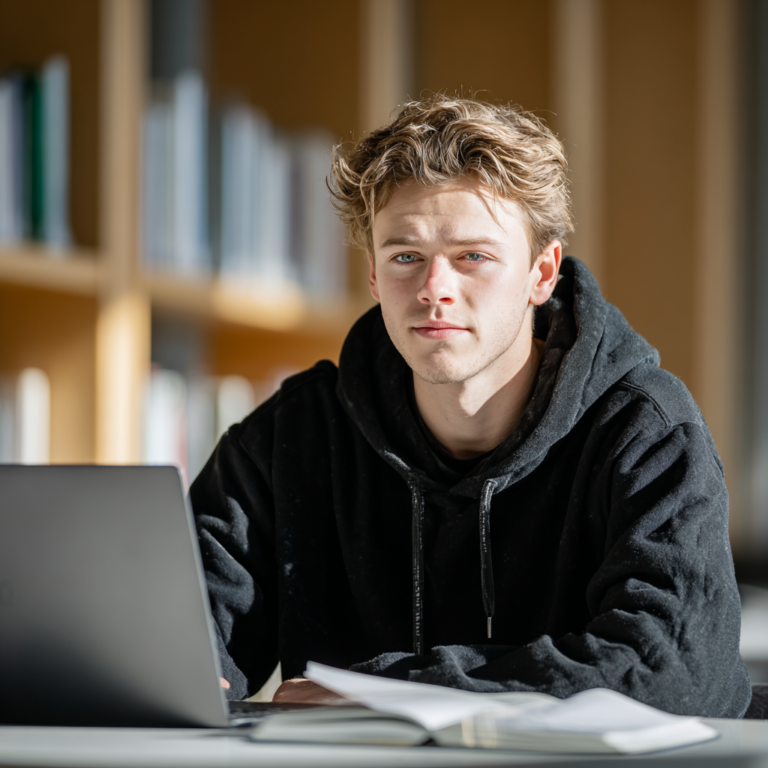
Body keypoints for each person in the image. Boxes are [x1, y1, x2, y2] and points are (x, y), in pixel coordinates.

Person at [190, 95, 750, 717]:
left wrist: (399, 692)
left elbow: (676, 670)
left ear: (543, 273)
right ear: (374, 277)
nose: (435, 290)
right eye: (406, 257)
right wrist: (187, 678)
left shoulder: (645, 431)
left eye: (473, 258)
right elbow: (185, 646)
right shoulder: (289, 439)